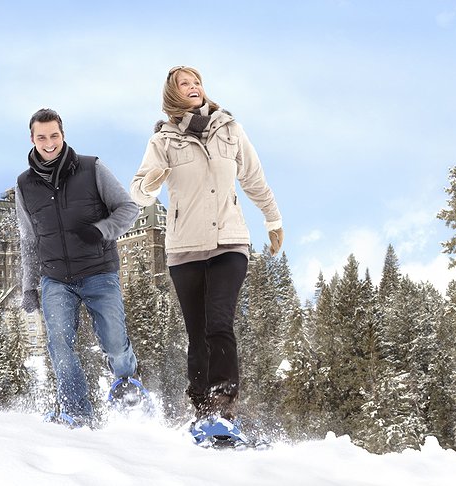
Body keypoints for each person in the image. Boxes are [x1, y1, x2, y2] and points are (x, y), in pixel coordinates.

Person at [130, 66, 284, 422]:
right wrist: (152, 182)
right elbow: (139, 192)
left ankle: (223, 404)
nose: (193, 87)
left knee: (219, 322)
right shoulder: (163, 141)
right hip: (184, 249)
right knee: (197, 333)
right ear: (173, 95)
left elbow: (254, 179)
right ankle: (201, 408)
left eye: (196, 81)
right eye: (184, 84)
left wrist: (273, 219)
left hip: (230, 242)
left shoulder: (229, 129)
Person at [16, 108, 141, 426]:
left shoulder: (91, 168)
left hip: (99, 271)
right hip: (55, 279)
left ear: (63, 135)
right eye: (41, 137)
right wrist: (29, 285)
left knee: (113, 340)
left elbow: (128, 208)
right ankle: (77, 411)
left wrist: (101, 230)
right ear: (32, 139)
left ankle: (126, 382)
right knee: (59, 345)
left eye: (54, 135)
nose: (48, 143)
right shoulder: (24, 185)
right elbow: (29, 240)